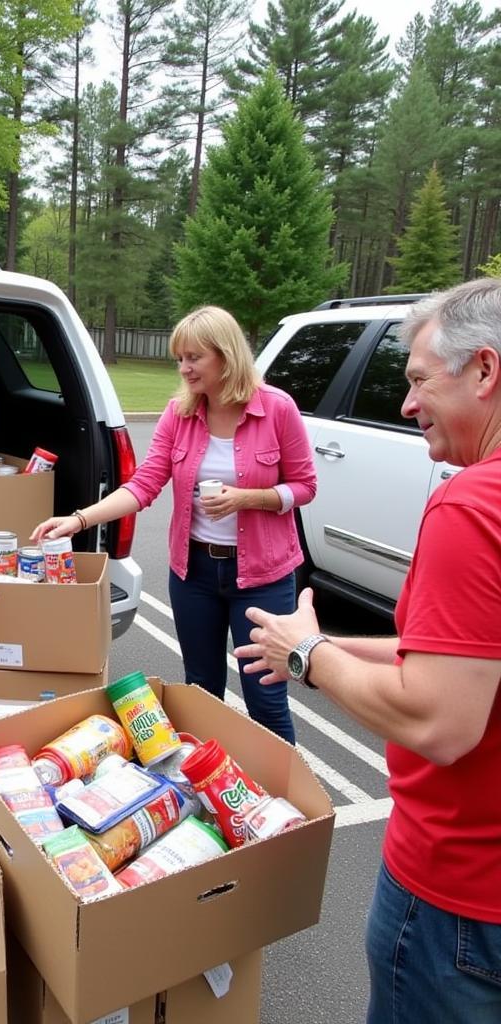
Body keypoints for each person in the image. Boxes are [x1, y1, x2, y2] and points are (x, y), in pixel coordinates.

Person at [235, 278, 501, 1024]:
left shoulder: (471, 504)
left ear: (484, 372)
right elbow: (467, 658)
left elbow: (439, 722)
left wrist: (309, 656)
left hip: (456, 902)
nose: (407, 404)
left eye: (419, 380)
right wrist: (325, 643)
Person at [32, 305, 315, 743]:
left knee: (266, 698)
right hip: (195, 573)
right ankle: (211, 789)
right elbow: (143, 485)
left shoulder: (277, 409)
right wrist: (78, 519)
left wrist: (249, 498)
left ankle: (286, 807)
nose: (183, 368)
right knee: (200, 691)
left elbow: (304, 486)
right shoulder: (178, 413)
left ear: (225, 356)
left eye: (193, 357)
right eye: (179, 358)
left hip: (263, 576)